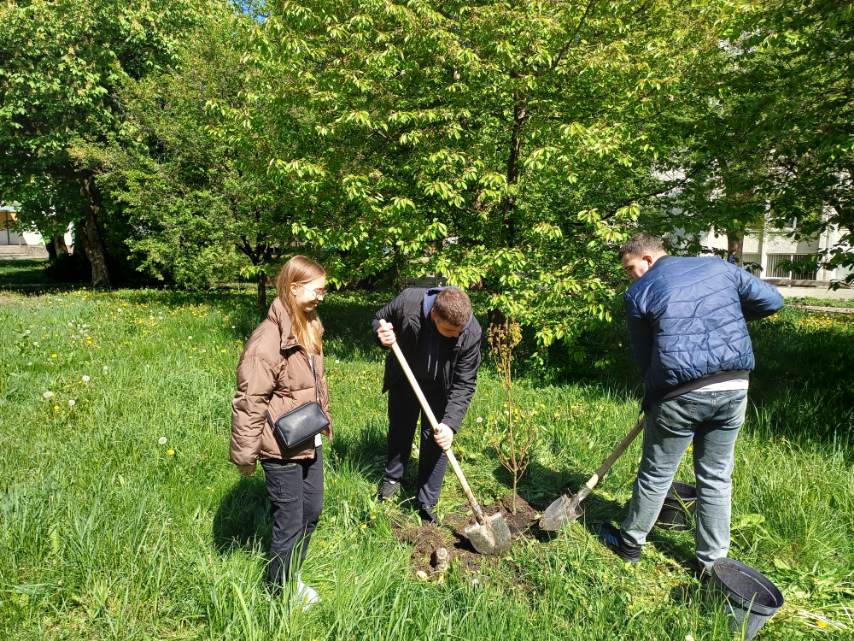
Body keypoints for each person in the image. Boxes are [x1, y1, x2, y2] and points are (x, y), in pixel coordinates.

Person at [599, 234, 784, 573]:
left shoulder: (639, 292)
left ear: (649, 260)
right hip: (734, 386)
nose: (630, 276)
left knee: (656, 473)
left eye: (630, 268)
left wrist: (653, 399)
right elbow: (772, 300)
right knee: (715, 477)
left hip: (679, 395)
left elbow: (644, 360)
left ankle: (630, 544)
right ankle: (713, 564)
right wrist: (721, 319)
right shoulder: (718, 268)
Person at [230, 255, 331, 605]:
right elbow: (249, 400)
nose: (322, 295)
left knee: (312, 512)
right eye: (317, 289)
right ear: (293, 287)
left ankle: (291, 574)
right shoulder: (267, 340)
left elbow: (314, 386)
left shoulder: (309, 325)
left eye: (324, 290)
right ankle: (278, 593)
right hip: (280, 447)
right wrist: (245, 455)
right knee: (289, 521)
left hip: (309, 438)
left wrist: (323, 419)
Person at [372, 286, 482, 524]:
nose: (456, 335)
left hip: (441, 387)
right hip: (405, 377)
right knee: (401, 429)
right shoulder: (408, 302)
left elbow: (465, 382)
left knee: (437, 440)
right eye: (450, 331)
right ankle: (392, 479)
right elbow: (379, 319)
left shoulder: (470, 331)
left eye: (459, 330)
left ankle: (427, 501)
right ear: (435, 316)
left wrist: (450, 425)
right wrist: (382, 335)